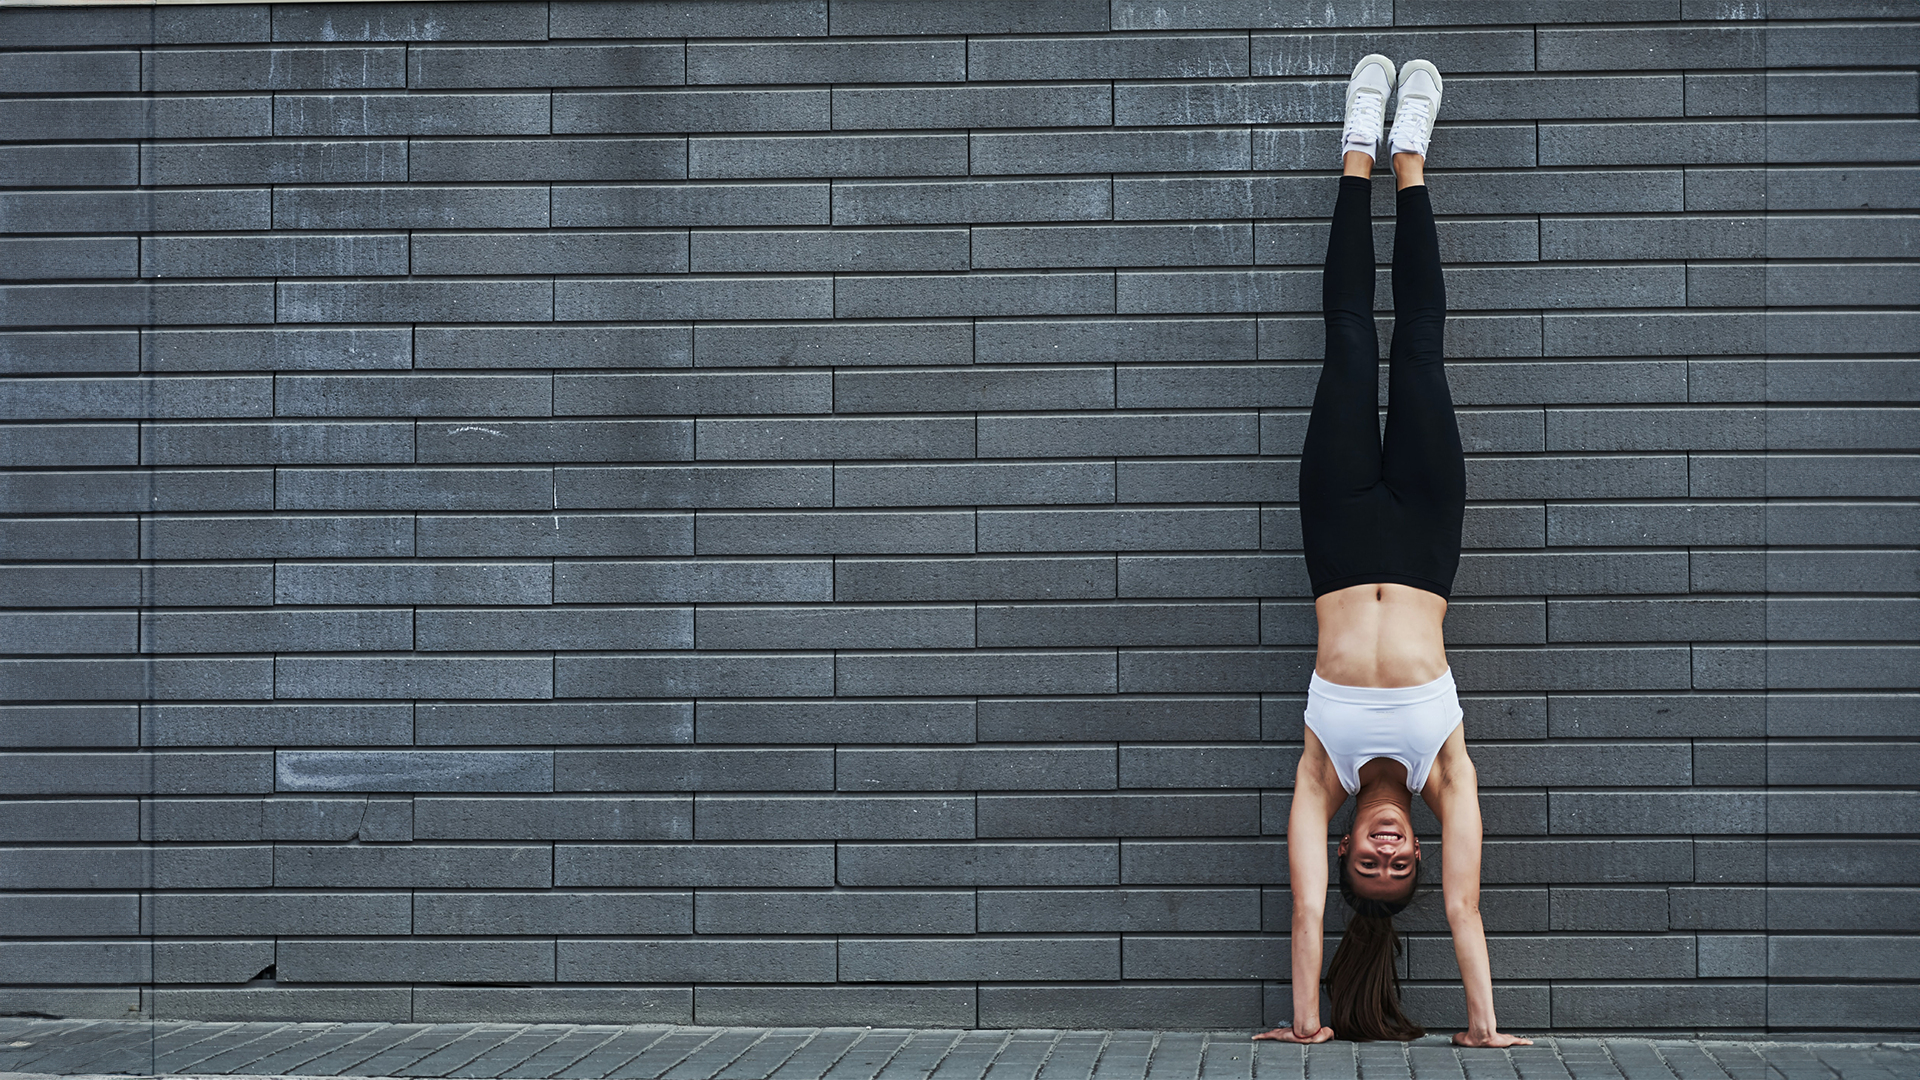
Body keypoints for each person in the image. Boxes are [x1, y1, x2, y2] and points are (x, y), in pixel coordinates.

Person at [1251, 55, 1530, 1048]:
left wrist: (1304, 1023)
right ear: (1417, 846)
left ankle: (1354, 154)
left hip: (1333, 533)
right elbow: (1464, 911)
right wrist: (1484, 1029)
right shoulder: (1443, 771)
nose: (1380, 853)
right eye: (1395, 863)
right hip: (1424, 528)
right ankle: (1409, 155)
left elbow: (1304, 913)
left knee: (1346, 344)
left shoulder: (1319, 775)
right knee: (1418, 343)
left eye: (1365, 864)